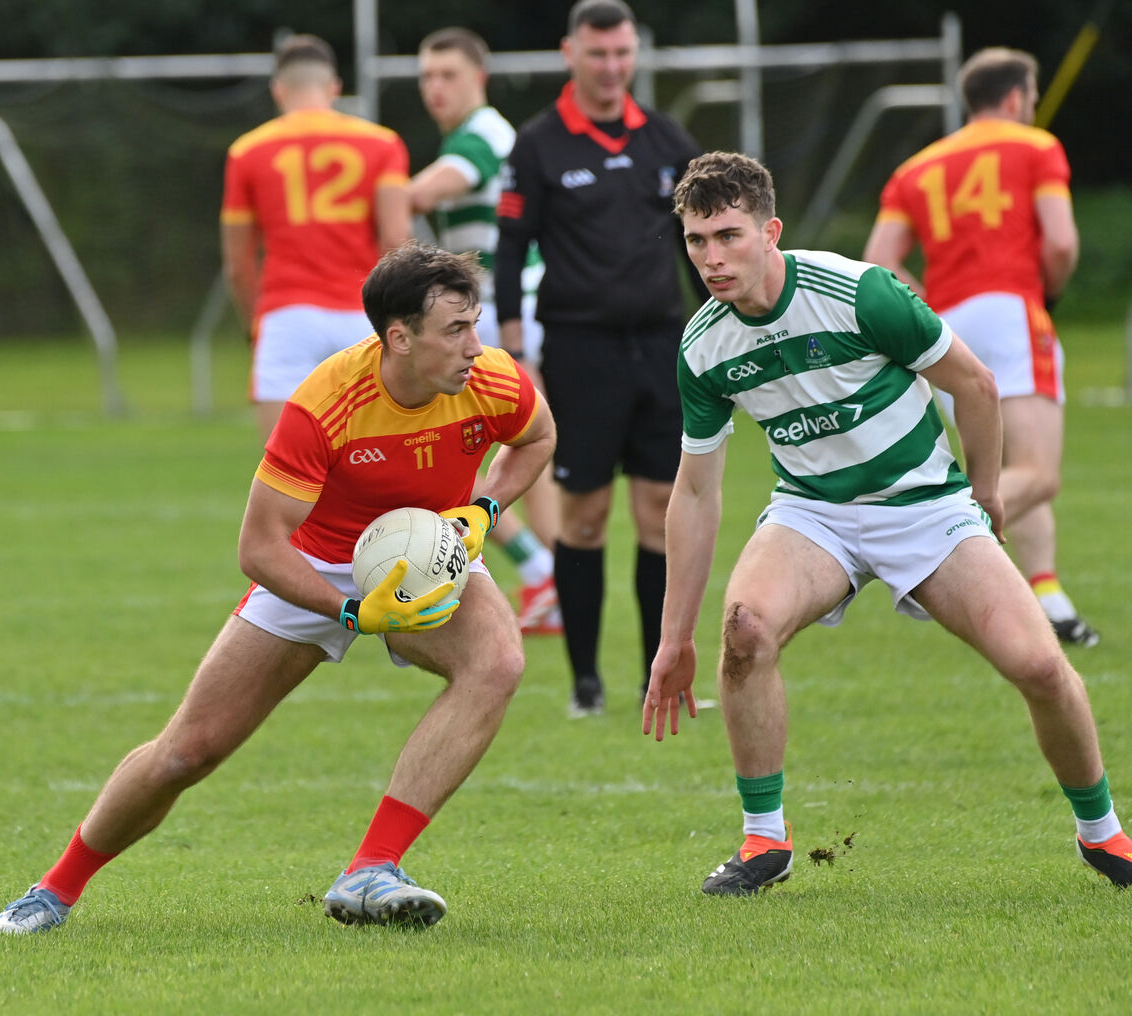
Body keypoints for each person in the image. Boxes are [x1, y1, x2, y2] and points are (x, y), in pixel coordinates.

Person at [0, 243, 556, 934]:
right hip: (314, 565)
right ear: (400, 337)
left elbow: (537, 436)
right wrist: (351, 609)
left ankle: (372, 867)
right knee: (187, 751)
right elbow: (259, 547)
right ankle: (53, 890)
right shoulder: (325, 404)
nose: (474, 346)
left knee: (497, 662)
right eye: (455, 330)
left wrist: (484, 510)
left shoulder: (489, 378)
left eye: (474, 325)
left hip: (428, 555)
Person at [643, 150, 1132, 896]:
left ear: (770, 232)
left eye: (729, 236)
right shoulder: (704, 345)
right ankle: (764, 840)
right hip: (813, 514)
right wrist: (674, 638)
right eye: (696, 241)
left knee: (1037, 665)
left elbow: (975, 385)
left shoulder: (859, 292)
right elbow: (695, 493)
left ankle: (1103, 833)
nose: (712, 258)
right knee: (745, 631)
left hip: (924, 505)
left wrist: (987, 495)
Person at [495, 0, 703, 716]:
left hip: (663, 347)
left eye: (622, 53)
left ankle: (657, 675)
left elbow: (702, 244)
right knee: (583, 516)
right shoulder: (539, 144)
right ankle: (585, 683)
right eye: (598, 54)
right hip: (579, 352)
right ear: (570, 54)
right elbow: (510, 251)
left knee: (659, 512)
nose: (612, 68)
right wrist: (518, 354)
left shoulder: (666, 139)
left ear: (634, 53)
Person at [863, 47, 1096, 647]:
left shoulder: (916, 167)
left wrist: (926, 315)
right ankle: (925, 540)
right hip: (1013, 309)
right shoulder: (1036, 146)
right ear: (1016, 97)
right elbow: (1062, 243)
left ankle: (1050, 601)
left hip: (947, 329)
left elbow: (879, 262)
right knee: (1037, 475)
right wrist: (1047, 293)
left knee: (1009, 465)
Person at [410, 26, 562, 636]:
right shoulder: (469, 136)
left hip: (505, 312)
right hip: (498, 311)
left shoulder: (483, 136)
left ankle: (546, 571)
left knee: (468, 446)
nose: (435, 87)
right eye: (426, 76)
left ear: (480, 78)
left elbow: (420, 191)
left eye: (448, 74)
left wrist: (366, 196)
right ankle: (551, 576)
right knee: (518, 441)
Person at [221, 33, 412, 443]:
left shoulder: (247, 150)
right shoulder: (382, 143)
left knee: (284, 470)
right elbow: (397, 240)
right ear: (334, 88)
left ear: (278, 90)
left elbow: (237, 266)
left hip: (286, 315)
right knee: (391, 461)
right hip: (363, 316)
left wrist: (254, 327)